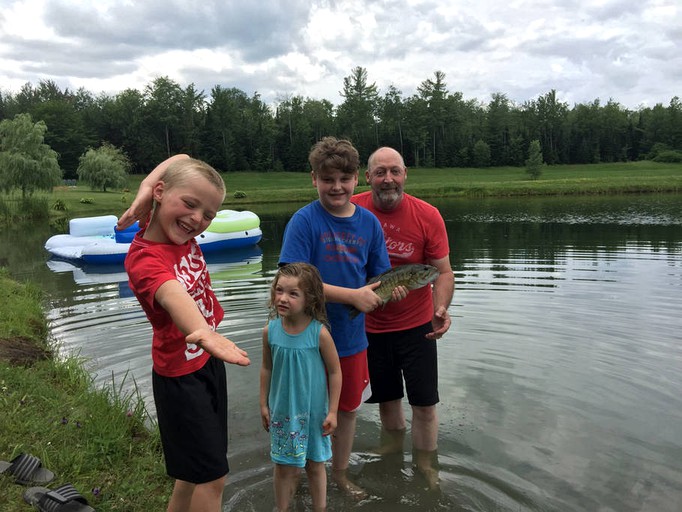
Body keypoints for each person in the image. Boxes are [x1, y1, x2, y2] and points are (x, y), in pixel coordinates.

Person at [278, 136, 405, 497]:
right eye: (328, 178)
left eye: (344, 179)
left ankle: (339, 474)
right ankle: (301, 471)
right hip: (304, 338)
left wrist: (388, 292)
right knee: (302, 410)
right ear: (313, 179)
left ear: (356, 180)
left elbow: (379, 278)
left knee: (346, 410)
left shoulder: (368, 224)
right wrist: (352, 295)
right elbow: (293, 281)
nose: (337, 187)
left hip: (350, 339)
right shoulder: (304, 221)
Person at [123, 156, 251, 512]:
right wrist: (201, 330)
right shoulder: (144, 257)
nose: (197, 219)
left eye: (208, 214)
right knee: (213, 476)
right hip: (180, 376)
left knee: (194, 473)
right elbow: (171, 292)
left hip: (207, 361)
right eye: (190, 204)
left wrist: (145, 190)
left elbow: (181, 159)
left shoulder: (164, 221)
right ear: (163, 194)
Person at [352, 146, 454, 489]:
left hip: (417, 328)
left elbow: (443, 272)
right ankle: (393, 451)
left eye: (394, 171)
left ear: (405, 174)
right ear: (368, 178)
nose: (388, 179)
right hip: (369, 328)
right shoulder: (353, 210)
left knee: (424, 404)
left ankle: (426, 465)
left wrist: (441, 308)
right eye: (380, 172)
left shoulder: (428, 215)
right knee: (388, 401)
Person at [260, 262, 342, 512]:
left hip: (313, 412)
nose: (283, 298)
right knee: (283, 465)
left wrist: (333, 412)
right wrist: (263, 404)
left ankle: (320, 508)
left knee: (314, 464)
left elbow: (335, 371)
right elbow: (266, 368)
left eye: (293, 293)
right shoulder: (270, 331)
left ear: (310, 298)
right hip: (283, 410)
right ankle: (282, 508)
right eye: (279, 290)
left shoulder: (319, 333)